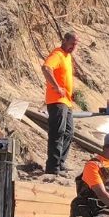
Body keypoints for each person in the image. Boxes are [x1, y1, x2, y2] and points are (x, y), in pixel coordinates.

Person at [40, 31, 78, 176]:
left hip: (66, 101)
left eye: (75, 44)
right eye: (72, 43)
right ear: (65, 40)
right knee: (58, 132)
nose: (73, 47)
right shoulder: (58, 54)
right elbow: (46, 68)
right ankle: (52, 167)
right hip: (57, 100)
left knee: (69, 132)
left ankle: (60, 163)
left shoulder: (67, 57)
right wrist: (56, 86)